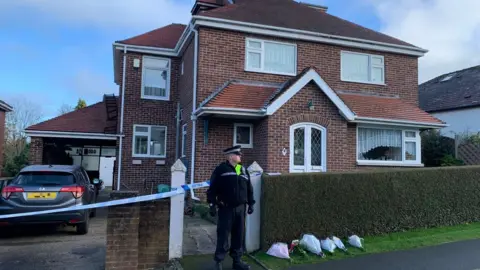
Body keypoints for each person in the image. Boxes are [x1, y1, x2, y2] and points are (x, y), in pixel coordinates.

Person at [207, 145, 255, 270]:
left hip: (240, 208)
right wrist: (212, 204)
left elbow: (249, 188)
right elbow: (212, 189)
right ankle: (218, 261)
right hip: (226, 208)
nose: (240, 156)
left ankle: (237, 261)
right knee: (223, 234)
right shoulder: (221, 169)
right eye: (238, 154)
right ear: (230, 156)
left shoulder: (242, 170)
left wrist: (251, 203)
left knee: (238, 235)